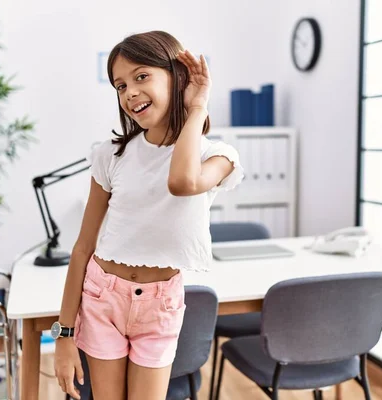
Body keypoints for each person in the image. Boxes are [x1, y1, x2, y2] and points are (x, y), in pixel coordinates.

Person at [52, 30, 243, 400]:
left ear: (178, 76)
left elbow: (183, 181)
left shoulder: (218, 156)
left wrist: (197, 108)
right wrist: (63, 334)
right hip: (103, 295)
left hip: (161, 304)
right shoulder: (111, 155)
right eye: (120, 86)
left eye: (141, 77)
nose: (130, 93)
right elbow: (82, 248)